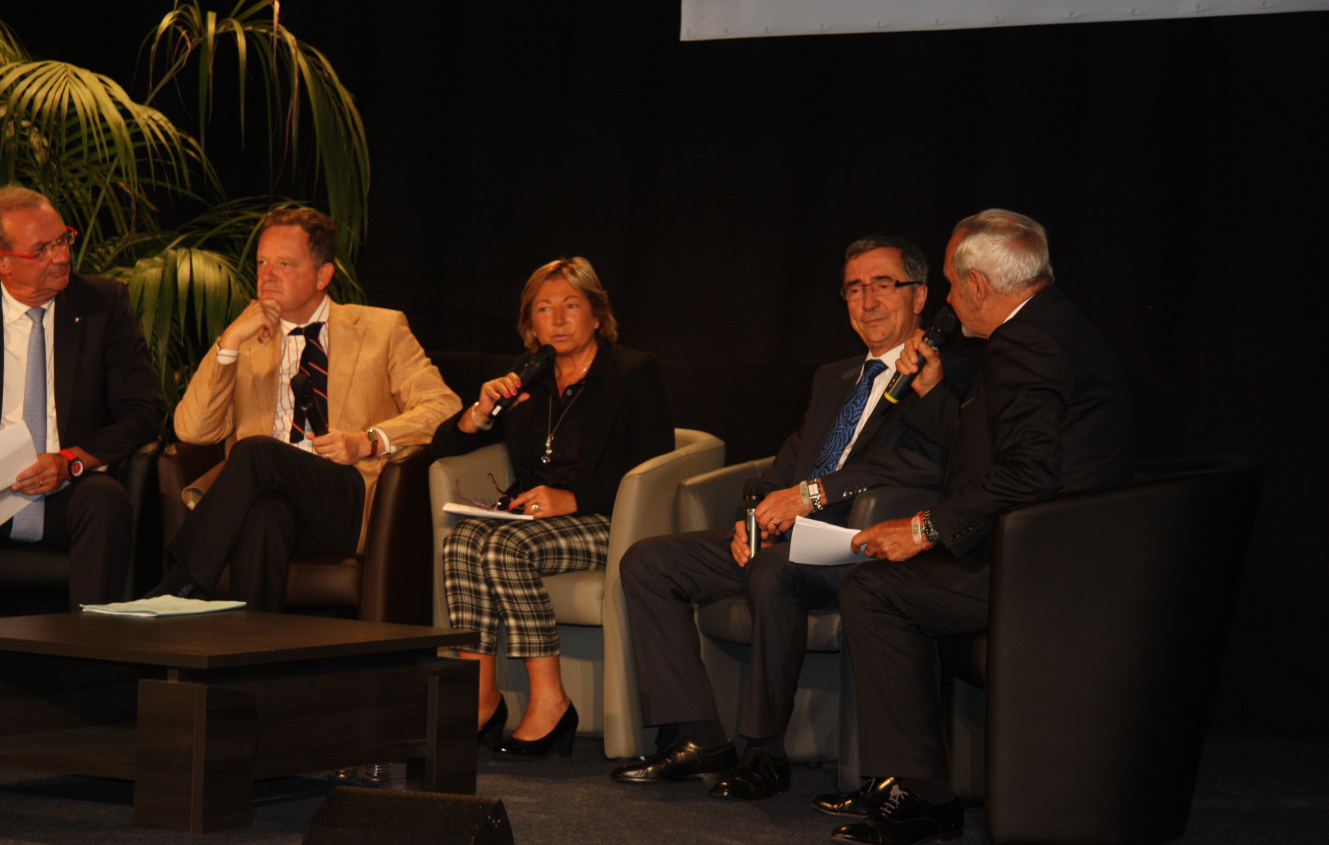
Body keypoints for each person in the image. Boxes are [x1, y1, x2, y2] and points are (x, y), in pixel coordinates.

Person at [611, 236, 972, 799]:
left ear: (920, 295)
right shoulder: (834, 376)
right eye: (854, 289)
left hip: (861, 542)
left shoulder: (943, 376)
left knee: (772, 572)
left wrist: (813, 495)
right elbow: (794, 454)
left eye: (883, 284)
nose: (868, 300)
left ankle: (763, 752)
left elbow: (921, 467)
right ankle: (702, 737)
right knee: (649, 561)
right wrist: (754, 517)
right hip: (790, 538)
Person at [822, 209, 1134, 845]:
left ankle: (921, 795)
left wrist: (925, 528)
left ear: (980, 288)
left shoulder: (1028, 344)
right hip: (1051, 552)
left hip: (1047, 570)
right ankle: (911, 783)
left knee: (873, 591)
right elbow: (991, 454)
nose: (949, 297)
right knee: (885, 584)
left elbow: (1027, 475)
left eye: (950, 282)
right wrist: (935, 393)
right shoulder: (1052, 325)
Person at [151, 206, 460, 611]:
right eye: (261, 262)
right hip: (271, 499)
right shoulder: (246, 339)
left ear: (322, 275)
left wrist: (368, 442)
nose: (267, 274)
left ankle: (183, 582)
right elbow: (191, 431)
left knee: (257, 450)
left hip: (343, 498)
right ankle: (252, 658)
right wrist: (228, 342)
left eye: (284, 263)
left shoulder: (381, 329)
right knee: (264, 516)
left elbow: (444, 406)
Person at [431, 257, 674, 760]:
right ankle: (481, 698)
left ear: (596, 314)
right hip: (535, 522)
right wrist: (478, 413)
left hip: (610, 520)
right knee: (460, 539)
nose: (558, 320)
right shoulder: (528, 378)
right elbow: (441, 450)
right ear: (530, 324)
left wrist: (574, 499)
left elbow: (654, 463)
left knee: (504, 547)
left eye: (571, 306)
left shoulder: (631, 372)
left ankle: (550, 701)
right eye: (544, 309)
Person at [0, 184, 162, 608]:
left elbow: (143, 411)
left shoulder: (103, 304)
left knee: (106, 502)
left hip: (67, 488)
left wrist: (71, 461)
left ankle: (90, 655)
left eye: (62, 239)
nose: (62, 256)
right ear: (0, 261)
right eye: (41, 250)